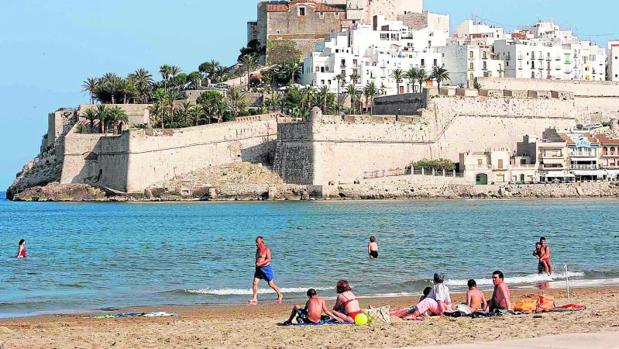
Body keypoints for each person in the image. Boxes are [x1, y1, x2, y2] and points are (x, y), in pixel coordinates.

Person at [250, 236, 283, 305]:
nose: (256, 244)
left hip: (266, 269)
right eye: (256, 242)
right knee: (255, 283)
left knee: (271, 284)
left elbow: (269, 259)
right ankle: (255, 298)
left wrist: (260, 263)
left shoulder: (266, 249)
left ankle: (280, 294)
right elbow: (257, 258)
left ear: (261, 242)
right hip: (258, 269)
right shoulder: (257, 249)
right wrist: (257, 265)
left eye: (257, 242)